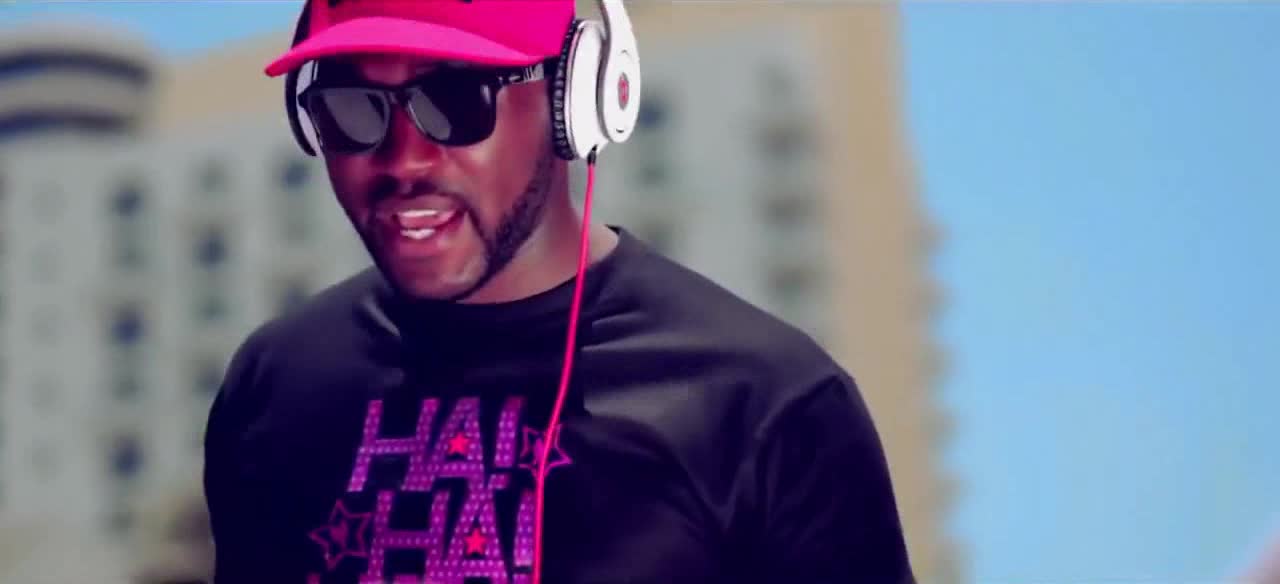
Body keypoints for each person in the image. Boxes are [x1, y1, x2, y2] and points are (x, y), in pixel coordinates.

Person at [202, 0, 915, 583]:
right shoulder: (276, 380)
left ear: (574, 99)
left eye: (455, 100)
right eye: (351, 106)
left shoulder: (767, 403)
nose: (404, 160)